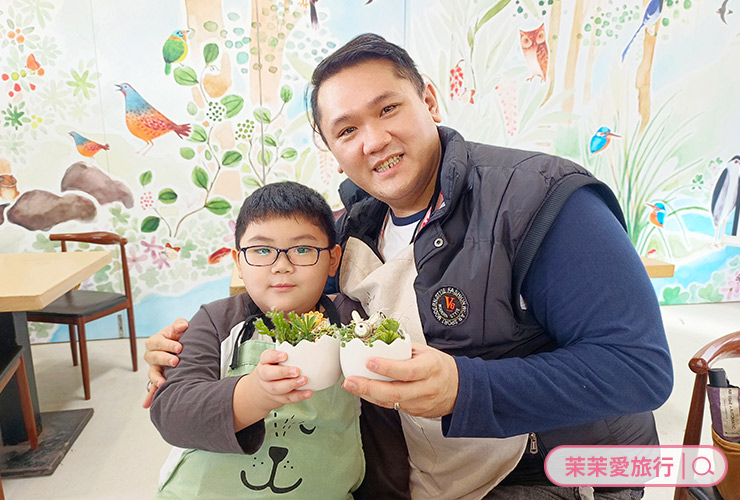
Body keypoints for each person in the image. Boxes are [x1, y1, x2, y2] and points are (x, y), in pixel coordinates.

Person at [145, 34, 673, 499]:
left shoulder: (541, 199)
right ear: (330, 148)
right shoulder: (349, 230)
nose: (374, 140)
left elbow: (639, 370)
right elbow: (282, 291)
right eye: (347, 130)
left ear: (429, 100)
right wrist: (184, 350)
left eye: (388, 109)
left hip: (539, 471)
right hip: (403, 470)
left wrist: (465, 388)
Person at [149, 181, 408, 499]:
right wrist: (255, 395)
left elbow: (384, 429)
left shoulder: (354, 324)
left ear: (332, 259)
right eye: (261, 250)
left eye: (302, 249)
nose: (282, 266)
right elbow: (173, 412)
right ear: (238, 262)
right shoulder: (216, 320)